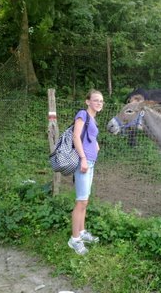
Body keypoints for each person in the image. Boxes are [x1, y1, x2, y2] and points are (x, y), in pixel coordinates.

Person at [68, 89, 104, 255]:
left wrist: (95, 145)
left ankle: (82, 232)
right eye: (96, 100)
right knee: (81, 201)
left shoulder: (92, 119)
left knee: (85, 200)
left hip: (90, 163)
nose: (99, 103)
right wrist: (83, 158)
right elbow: (76, 136)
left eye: (101, 101)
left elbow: (89, 136)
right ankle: (74, 239)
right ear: (87, 101)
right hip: (83, 162)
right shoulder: (82, 114)